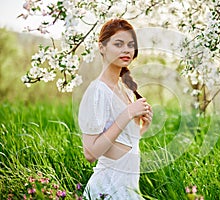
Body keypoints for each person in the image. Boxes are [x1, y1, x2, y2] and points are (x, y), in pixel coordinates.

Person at [78, 19, 153, 199]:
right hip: (106, 189)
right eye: (118, 44)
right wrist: (127, 114)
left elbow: (122, 144)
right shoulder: (98, 91)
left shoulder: (125, 89)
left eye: (130, 45)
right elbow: (90, 153)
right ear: (102, 47)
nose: (126, 49)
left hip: (128, 189)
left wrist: (142, 129)